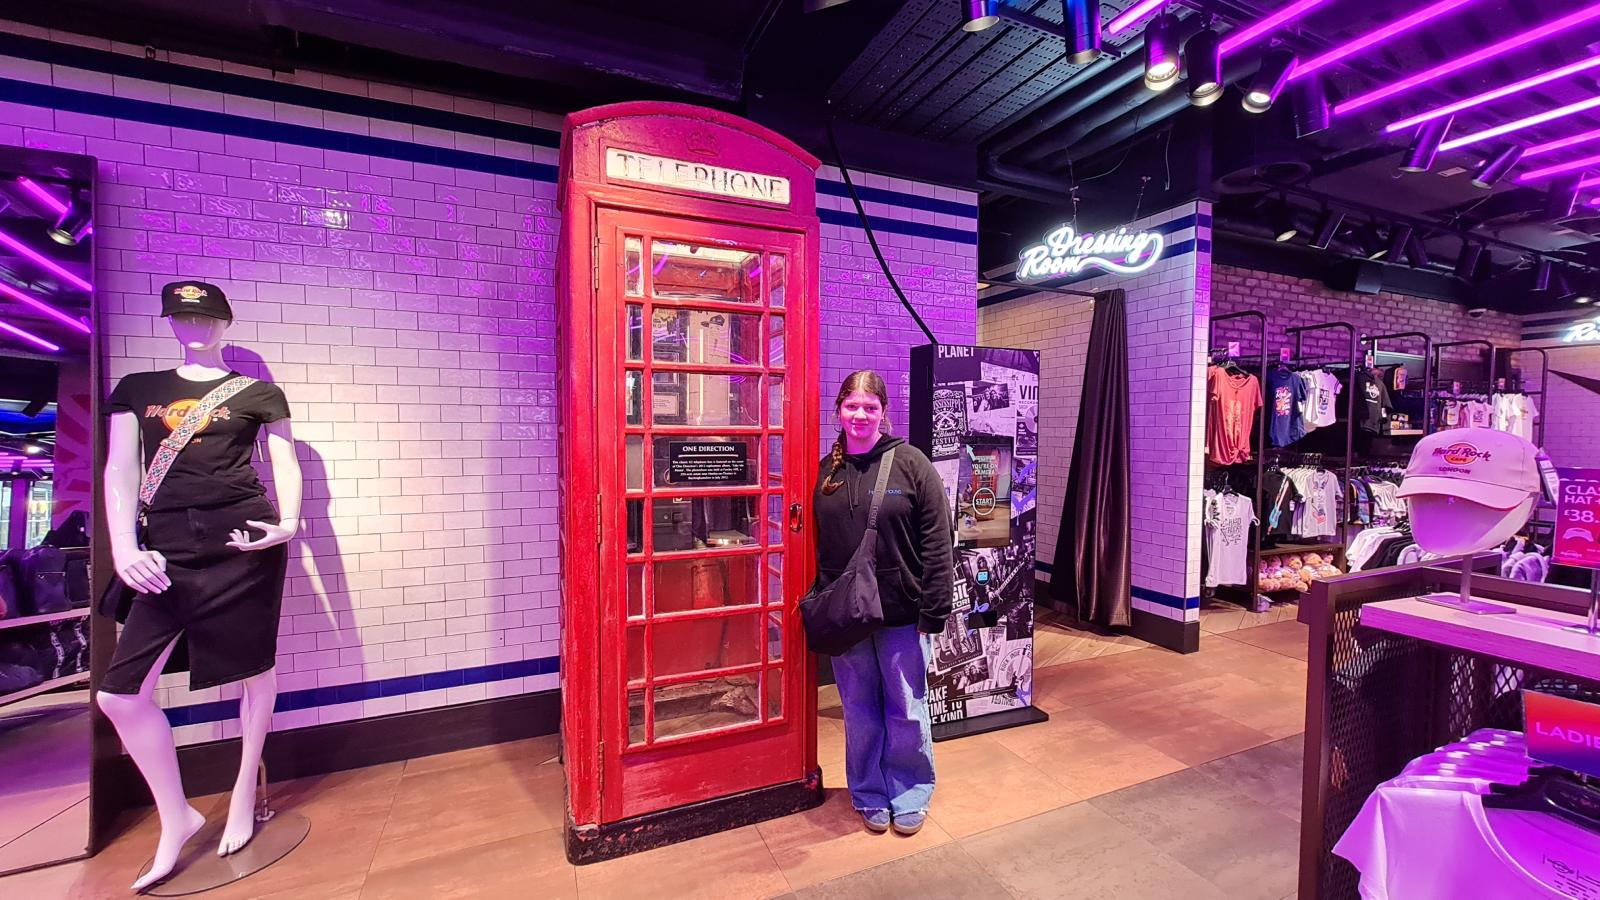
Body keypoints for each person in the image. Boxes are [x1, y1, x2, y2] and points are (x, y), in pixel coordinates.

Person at [812, 369, 953, 835]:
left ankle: (910, 791)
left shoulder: (911, 463)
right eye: (852, 405)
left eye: (870, 406)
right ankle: (869, 791)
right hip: (847, 615)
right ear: (838, 411)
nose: (860, 414)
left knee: (907, 708)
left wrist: (935, 608)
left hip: (901, 612)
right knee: (859, 709)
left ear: (884, 413)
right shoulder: (824, 470)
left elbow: (937, 540)